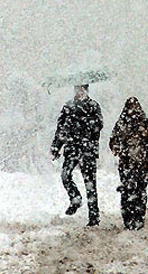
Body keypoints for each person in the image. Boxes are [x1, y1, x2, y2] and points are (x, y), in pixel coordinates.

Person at [50, 84, 103, 227]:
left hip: (88, 150)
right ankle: (75, 198)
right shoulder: (68, 107)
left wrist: (83, 122)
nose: (79, 92)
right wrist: (56, 146)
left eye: (82, 89)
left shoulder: (93, 106)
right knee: (65, 175)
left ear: (86, 90)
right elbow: (60, 128)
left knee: (90, 183)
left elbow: (98, 125)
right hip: (72, 149)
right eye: (77, 89)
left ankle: (94, 216)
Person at [109, 97, 148, 230]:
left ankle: (138, 218)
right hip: (126, 164)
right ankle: (128, 219)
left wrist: (146, 135)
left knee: (140, 191)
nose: (132, 111)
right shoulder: (121, 123)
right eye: (130, 108)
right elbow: (113, 139)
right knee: (127, 191)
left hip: (143, 164)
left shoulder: (146, 123)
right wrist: (116, 148)